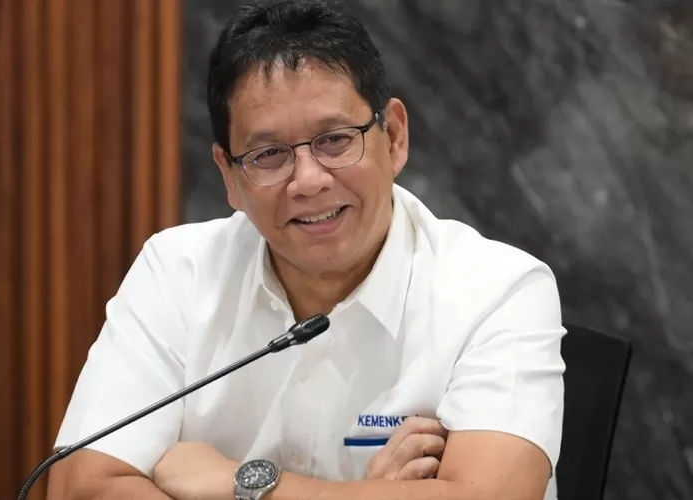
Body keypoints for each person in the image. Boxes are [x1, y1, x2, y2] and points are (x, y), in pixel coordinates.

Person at [46, 0, 566, 499]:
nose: (309, 180)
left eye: (335, 140)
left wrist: (243, 485)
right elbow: (80, 487)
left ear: (394, 137)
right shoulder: (177, 274)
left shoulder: (498, 291)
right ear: (230, 176)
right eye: (269, 154)